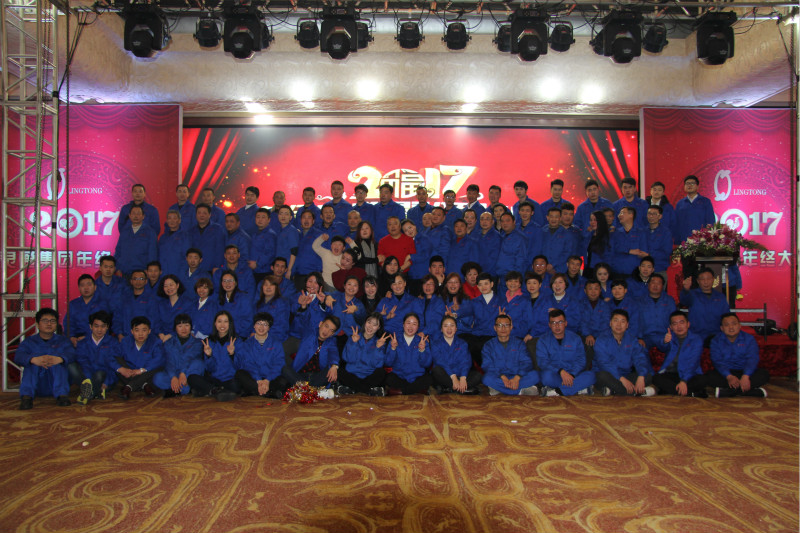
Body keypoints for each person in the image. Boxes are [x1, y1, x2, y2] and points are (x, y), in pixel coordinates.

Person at [17, 308, 75, 410]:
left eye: (52, 321)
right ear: (37, 324)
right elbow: (18, 356)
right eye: (45, 321)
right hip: (36, 383)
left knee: (58, 361)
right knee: (32, 363)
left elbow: (72, 354)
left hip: (57, 381)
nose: (49, 324)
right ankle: (27, 398)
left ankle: (62, 396)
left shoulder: (63, 341)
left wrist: (60, 359)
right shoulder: (29, 341)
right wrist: (33, 360)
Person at [593, 310, 655, 396]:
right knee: (601, 376)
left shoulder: (632, 339)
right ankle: (636, 392)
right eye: (616, 320)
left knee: (647, 376)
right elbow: (604, 364)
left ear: (627, 325)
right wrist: (621, 379)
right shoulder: (601, 339)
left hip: (626, 375)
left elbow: (640, 358)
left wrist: (641, 376)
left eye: (622, 321)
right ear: (610, 323)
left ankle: (614, 391)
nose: (619, 325)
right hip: (609, 375)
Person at [707, 313, 769, 398]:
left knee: (764, 374)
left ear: (739, 326)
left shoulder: (749, 339)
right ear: (722, 328)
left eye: (734, 324)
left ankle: (729, 392)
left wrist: (746, 376)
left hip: (745, 372)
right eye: (726, 325)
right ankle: (752, 392)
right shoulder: (716, 341)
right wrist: (729, 376)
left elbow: (752, 359)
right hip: (727, 373)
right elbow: (717, 361)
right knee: (709, 376)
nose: (731, 327)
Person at [537, 309, 595, 396]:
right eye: (553, 323)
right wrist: (560, 371)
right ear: (549, 325)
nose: (557, 326)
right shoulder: (543, 340)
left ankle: (557, 391)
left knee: (591, 375)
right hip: (555, 375)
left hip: (573, 375)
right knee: (545, 377)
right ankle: (577, 389)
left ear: (565, 323)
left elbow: (581, 360)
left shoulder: (575, 338)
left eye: (560, 322)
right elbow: (543, 362)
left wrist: (572, 374)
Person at [234, 312, 290, 398]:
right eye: (259, 323)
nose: (261, 327)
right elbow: (248, 364)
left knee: (283, 380)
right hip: (254, 378)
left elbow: (279, 363)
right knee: (240, 374)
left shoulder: (276, 342)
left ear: (269, 328)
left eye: (265, 324)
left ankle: (256, 391)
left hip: (270, 378)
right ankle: (269, 392)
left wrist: (267, 380)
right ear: (254, 326)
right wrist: (259, 380)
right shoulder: (247, 343)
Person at [481, 314, 540, 396]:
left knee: (536, 375)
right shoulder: (488, 345)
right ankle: (519, 391)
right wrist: (502, 376)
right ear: (495, 328)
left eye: (506, 325)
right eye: (499, 325)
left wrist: (517, 377)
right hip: (499, 377)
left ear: (511, 327)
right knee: (486, 379)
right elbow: (487, 365)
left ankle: (500, 389)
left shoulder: (519, 343)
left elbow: (527, 362)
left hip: (518, 377)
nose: (503, 328)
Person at [652, 311, 707, 397]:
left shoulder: (696, 339)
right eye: (675, 324)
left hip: (690, 374)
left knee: (702, 380)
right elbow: (662, 348)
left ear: (688, 324)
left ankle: (672, 391)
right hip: (672, 374)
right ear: (671, 327)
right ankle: (691, 393)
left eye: (682, 322)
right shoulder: (670, 337)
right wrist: (665, 341)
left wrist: (684, 380)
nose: (679, 326)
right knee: (656, 378)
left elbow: (693, 363)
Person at [152, 314, 205, 398]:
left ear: (191, 327)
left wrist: (183, 373)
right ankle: (186, 389)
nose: (184, 329)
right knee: (157, 378)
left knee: (199, 364)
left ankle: (176, 390)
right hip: (175, 373)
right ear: (175, 328)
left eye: (186, 325)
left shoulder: (198, 342)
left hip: (188, 373)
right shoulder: (169, 342)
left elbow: (189, 357)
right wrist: (173, 377)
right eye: (180, 326)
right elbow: (169, 361)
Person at [73, 310, 120, 404]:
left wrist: (106, 382)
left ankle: (88, 393)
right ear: (90, 326)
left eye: (103, 326)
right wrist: (89, 380)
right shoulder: (82, 343)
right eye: (96, 326)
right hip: (87, 378)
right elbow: (83, 363)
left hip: (105, 379)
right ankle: (94, 390)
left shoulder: (113, 343)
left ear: (107, 327)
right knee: (72, 367)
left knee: (99, 374)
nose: (99, 329)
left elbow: (114, 365)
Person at [337, 313, 389, 396]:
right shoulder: (354, 337)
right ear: (365, 322)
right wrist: (353, 343)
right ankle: (369, 390)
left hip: (369, 376)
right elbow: (347, 359)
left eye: (375, 325)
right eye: (369, 322)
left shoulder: (380, 342)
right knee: (340, 371)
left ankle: (353, 389)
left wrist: (377, 348)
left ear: (379, 327)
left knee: (381, 372)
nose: (370, 326)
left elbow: (378, 365)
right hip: (352, 374)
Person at [194, 310, 240, 401]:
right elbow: (210, 369)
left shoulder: (237, 341)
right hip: (214, 379)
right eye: (219, 321)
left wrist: (232, 354)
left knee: (237, 385)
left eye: (225, 321)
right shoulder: (208, 342)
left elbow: (239, 366)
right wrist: (209, 356)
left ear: (230, 324)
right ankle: (217, 390)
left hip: (231, 379)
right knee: (192, 378)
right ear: (215, 323)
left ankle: (211, 391)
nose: (222, 325)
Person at [282, 315, 341, 388]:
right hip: (299, 375)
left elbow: (334, 353)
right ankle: (310, 389)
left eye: (331, 330)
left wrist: (334, 366)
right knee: (284, 368)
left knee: (333, 368)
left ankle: (305, 389)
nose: (326, 331)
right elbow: (298, 325)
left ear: (332, 334)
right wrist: (302, 310)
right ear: (320, 324)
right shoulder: (309, 332)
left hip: (317, 377)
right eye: (326, 326)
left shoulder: (331, 342)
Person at [115, 316, 165, 400]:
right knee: (117, 362)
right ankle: (144, 385)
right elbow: (113, 357)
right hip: (131, 371)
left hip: (146, 371)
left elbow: (159, 359)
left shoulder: (156, 342)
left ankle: (128, 387)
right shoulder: (125, 341)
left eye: (144, 330)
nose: (140, 334)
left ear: (149, 331)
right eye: (137, 330)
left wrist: (142, 370)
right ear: (132, 331)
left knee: (159, 366)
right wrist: (121, 369)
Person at [458, 272, 501, 365]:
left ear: (492, 284)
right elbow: (463, 313)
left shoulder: (500, 301)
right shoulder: (474, 302)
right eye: (480, 284)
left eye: (486, 283)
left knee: (484, 348)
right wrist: (453, 314)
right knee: (465, 345)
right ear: (477, 286)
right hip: (477, 334)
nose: (483, 287)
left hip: (493, 334)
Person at [430, 315, 481, 394]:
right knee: (436, 370)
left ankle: (450, 389)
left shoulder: (462, 343)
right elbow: (440, 362)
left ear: (456, 328)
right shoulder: (435, 344)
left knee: (478, 375)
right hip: (446, 375)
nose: (449, 329)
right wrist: (453, 377)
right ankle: (463, 389)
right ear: (441, 329)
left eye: (452, 325)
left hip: (460, 375)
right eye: (445, 326)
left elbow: (466, 362)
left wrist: (463, 377)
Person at [385, 313, 433, 395]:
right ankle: (413, 390)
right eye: (408, 323)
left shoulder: (422, 341)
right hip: (400, 376)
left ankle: (403, 391)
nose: (411, 327)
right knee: (389, 378)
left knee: (429, 379)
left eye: (414, 324)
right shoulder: (395, 340)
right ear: (403, 325)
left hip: (417, 377)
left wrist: (422, 350)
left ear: (418, 327)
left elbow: (427, 364)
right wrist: (393, 348)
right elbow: (388, 363)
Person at [679, 268, 730, 343]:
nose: (706, 282)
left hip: (717, 336)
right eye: (702, 279)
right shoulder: (692, 294)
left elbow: (727, 316)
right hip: (696, 335)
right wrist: (686, 290)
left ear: (713, 279)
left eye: (708, 278)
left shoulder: (720, 297)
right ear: (698, 281)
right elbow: (684, 300)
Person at [67, 274, 110, 348]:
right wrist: (72, 337)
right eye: (82, 285)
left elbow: (104, 326)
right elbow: (68, 324)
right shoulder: (73, 304)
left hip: (97, 340)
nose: (86, 288)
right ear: (79, 288)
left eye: (89, 285)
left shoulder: (102, 304)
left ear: (95, 287)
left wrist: (88, 337)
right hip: (76, 341)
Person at [114, 204, 158, 276]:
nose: (136, 216)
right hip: (124, 272)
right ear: (130, 216)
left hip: (141, 271)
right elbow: (118, 251)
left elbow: (152, 254)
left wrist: (149, 270)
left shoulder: (150, 232)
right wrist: (118, 268)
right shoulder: (124, 231)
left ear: (143, 216)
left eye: (138, 214)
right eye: (134, 213)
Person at [115, 269, 159, 339]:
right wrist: (119, 334)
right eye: (135, 279)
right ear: (131, 281)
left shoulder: (152, 300)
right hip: (125, 338)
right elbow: (117, 319)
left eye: (141, 279)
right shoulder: (123, 299)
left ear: (146, 281)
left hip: (145, 338)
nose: (138, 281)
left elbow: (154, 322)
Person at [287, 210, 323, 290]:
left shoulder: (319, 235)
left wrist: (318, 273)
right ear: (300, 220)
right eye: (304, 217)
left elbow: (323, 256)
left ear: (313, 221)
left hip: (313, 276)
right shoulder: (297, 235)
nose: (306, 220)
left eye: (309, 217)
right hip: (298, 275)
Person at [639, 274, 677, 350]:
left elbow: (674, 320)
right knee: (638, 351)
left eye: (659, 283)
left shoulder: (669, 300)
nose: (655, 285)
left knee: (673, 349)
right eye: (653, 282)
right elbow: (634, 321)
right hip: (645, 337)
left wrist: (672, 335)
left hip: (665, 335)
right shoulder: (639, 301)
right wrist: (638, 337)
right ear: (648, 285)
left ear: (663, 286)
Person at [674, 174, 715, 244]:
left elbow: (710, 221)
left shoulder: (705, 202)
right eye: (687, 183)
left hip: (701, 241)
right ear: (684, 187)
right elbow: (676, 223)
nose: (689, 185)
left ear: (697, 186)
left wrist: (708, 238)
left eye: (692, 183)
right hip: (684, 241)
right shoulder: (680, 204)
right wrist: (677, 241)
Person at [611, 207, 648, 278]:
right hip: (617, 271)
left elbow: (643, 252)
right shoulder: (615, 233)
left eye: (622, 213)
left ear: (631, 215)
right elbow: (613, 248)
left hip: (634, 272)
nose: (619, 215)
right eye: (619, 213)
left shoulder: (641, 233)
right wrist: (629, 251)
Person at [217, 270, 255, 337]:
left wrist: (231, 331)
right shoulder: (219, 300)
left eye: (230, 281)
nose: (227, 284)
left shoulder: (244, 298)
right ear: (221, 283)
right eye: (225, 281)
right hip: (224, 334)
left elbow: (248, 320)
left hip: (240, 335)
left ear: (236, 283)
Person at [155, 275, 194, 340]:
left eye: (171, 285)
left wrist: (171, 335)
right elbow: (157, 322)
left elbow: (188, 323)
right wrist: (160, 333)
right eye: (165, 286)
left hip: (180, 337)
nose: (169, 288)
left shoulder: (187, 303)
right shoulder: (161, 304)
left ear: (177, 285)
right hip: (162, 337)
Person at [495, 213, 528, 286]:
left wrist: (516, 279)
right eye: (502, 221)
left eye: (507, 221)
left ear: (514, 222)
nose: (505, 223)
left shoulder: (519, 238)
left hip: (512, 279)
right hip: (502, 277)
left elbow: (521, 260)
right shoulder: (502, 236)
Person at [190, 203, 226, 270]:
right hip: (195, 269)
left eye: (204, 213)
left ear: (209, 215)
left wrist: (217, 267)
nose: (201, 215)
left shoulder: (218, 229)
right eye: (199, 213)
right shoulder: (191, 231)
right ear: (196, 215)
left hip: (212, 269)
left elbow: (220, 250)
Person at [255, 275, 290, 342]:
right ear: (262, 287)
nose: (268, 287)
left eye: (272, 285)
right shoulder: (259, 304)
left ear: (276, 287)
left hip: (275, 338)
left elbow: (281, 327)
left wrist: (264, 336)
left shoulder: (282, 303)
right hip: (260, 336)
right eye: (266, 285)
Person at [158, 209, 192, 277]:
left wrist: (182, 272)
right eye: (169, 218)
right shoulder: (162, 237)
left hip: (178, 272)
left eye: (174, 218)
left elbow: (187, 256)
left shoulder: (185, 236)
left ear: (179, 220)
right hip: (163, 272)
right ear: (167, 221)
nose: (172, 221)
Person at [578, 279, 611, 348]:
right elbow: (581, 322)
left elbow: (606, 322)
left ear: (600, 290)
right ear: (585, 291)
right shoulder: (580, 305)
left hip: (601, 335)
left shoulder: (605, 305)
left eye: (596, 289)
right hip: (584, 335)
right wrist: (588, 334)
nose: (593, 292)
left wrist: (599, 337)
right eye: (590, 289)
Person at [249, 207, 277, 284]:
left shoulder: (270, 234)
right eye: (258, 217)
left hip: (264, 271)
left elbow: (270, 253)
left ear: (269, 220)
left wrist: (257, 263)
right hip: (254, 271)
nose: (260, 220)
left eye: (263, 217)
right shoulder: (255, 234)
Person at [645, 205, 673, 279]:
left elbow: (667, 252)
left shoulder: (666, 232)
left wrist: (649, 254)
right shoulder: (642, 231)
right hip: (644, 270)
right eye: (649, 214)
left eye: (654, 214)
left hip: (660, 268)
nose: (651, 216)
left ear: (660, 216)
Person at [583, 211, 612, 278]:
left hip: (601, 271)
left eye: (595, 220)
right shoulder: (588, 236)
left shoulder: (608, 237)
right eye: (591, 220)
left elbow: (609, 256)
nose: (592, 222)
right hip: (588, 269)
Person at [476, 211, 501, 277]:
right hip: (477, 272)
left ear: (492, 221)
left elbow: (495, 258)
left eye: (487, 219)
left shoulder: (496, 236)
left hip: (491, 273)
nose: (484, 221)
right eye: (482, 219)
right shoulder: (476, 235)